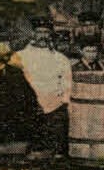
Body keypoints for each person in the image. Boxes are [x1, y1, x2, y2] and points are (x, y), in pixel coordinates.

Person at [15, 22, 72, 154]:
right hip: (27, 106)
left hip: (53, 106)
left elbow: (66, 83)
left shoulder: (61, 59)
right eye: (39, 32)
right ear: (33, 34)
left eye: (46, 32)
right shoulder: (20, 56)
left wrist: (62, 102)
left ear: (50, 35)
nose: (42, 36)